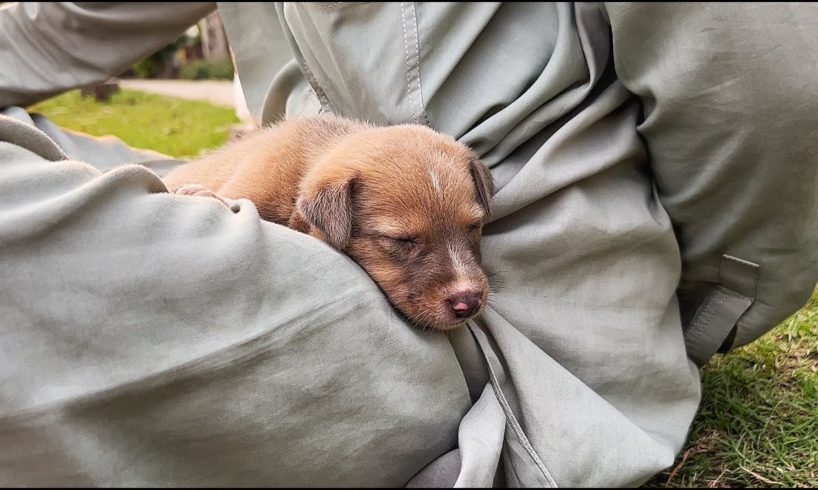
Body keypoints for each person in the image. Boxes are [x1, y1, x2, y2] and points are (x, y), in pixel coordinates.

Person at [1, 2, 816, 487]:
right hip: (294, 220)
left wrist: (698, 309)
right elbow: (56, 23)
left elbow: (775, 95)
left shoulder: (460, 245)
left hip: (512, 325)